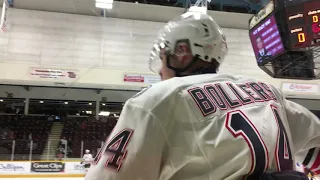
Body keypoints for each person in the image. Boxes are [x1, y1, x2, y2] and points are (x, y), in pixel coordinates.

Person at [85, 12, 319, 180]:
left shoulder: (154, 101)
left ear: (182, 53)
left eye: (164, 56)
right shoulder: (267, 92)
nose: (159, 69)